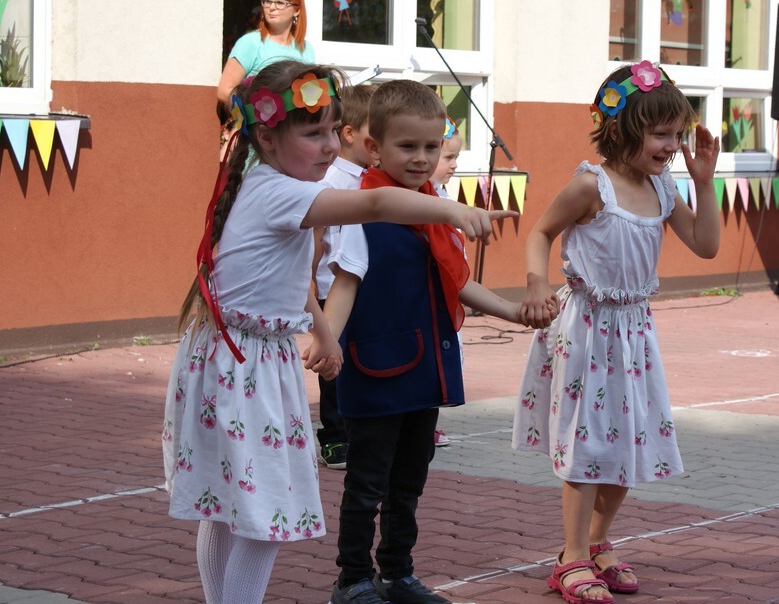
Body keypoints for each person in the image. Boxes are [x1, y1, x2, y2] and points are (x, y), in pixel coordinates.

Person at [162, 61, 513, 604]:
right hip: (245, 364)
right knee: (266, 515)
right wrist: (450, 207)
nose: (329, 146)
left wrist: (323, 330)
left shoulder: (264, 182)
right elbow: (374, 203)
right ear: (267, 136)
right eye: (313, 133)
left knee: (228, 507)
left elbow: (285, 273)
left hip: (233, 358)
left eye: (331, 130)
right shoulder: (283, 192)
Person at [513, 60, 720, 604]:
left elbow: (707, 245)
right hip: (586, 326)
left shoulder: (663, 186)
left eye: (677, 133)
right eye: (661, 133)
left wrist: (705, 183)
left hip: (633, 331)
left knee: (630, 442)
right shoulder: (591, 186)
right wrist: (536, 284)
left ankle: (599, 542)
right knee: (588, 443)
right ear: (625, 127)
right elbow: (539, 233)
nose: (673, 144)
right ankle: (572, 556)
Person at [321, 80, 526, 604]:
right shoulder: (359, 207)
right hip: (374, 367)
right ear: (374, 147)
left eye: (431, 148)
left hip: (424, 369)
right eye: (407, 147)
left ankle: (397, 573)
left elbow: (456, 281)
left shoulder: (436, 206)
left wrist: (516, 312)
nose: (421, 158)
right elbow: (344, 281)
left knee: (409, 481)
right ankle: (352, 579)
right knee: (367, 483)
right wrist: (325, 339)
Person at [312, 83, 379, 469]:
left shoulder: (372, 178)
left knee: (355, 358)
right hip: (328, 286)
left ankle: (357, 428)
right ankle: (334, 436)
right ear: (350, 133)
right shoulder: (332, 181)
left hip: (360, 283)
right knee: (331, 361)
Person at [217, 0, 315, 105]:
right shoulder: (251, 43)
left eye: (280, 2)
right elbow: (224, 91)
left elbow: (310, 97)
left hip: (294, 124)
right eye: (267, 1)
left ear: (296, 10)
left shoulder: (306, 50)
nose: (271, 7)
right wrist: (254, 113)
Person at [426, 117, 464, 448]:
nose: (453, 165)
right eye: (448, 158)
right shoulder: (424, 200)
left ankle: (430, 423)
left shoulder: (443, 195)